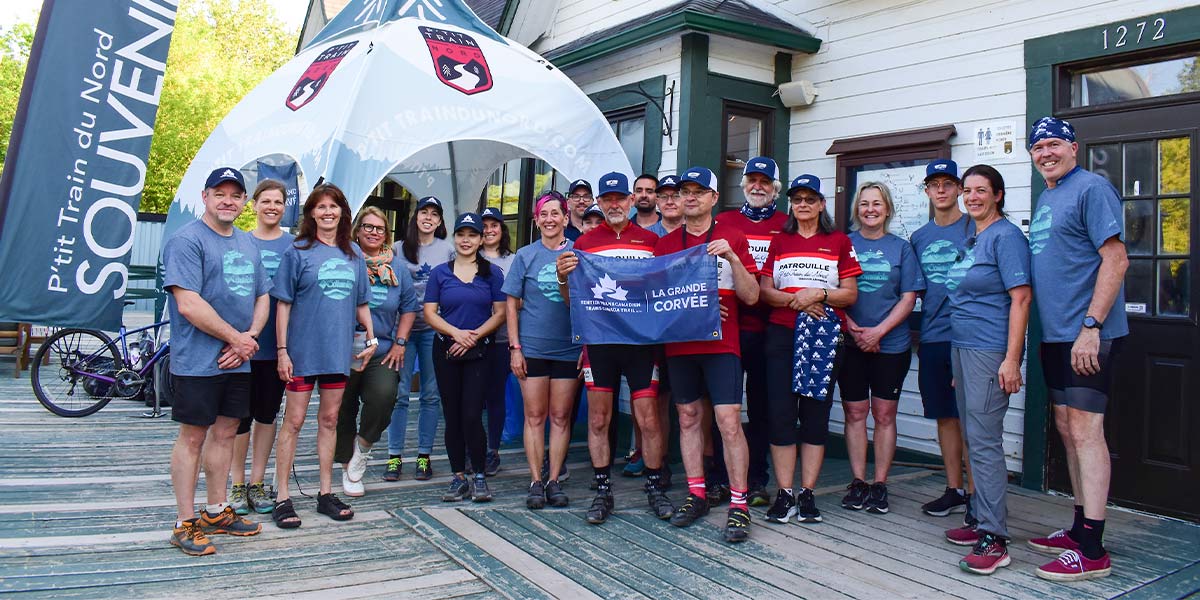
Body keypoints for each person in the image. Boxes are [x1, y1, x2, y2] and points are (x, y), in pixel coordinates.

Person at [1025, 117, 1128, 582]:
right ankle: (1078, 524)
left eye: (1053, 144)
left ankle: (1093, 549)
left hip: (1088, 334)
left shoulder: (1092, 189)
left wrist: (1092, 325)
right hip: (1057, 335)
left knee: (1087, 432)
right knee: (1067, 429)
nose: (1045, 152)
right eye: (1038, 147)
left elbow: (1116, 258)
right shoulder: (1049, 195)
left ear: (1073, 147)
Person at [556, 171, 674, 525]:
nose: (613, 204)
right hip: (601, 343)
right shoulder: (585, 243)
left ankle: (655, 487)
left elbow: (667, 290)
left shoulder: (652, 241)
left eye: (619, 198)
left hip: (641, 343)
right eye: (606, 199)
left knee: (649, 418)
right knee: (598, 419)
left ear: (630, 200)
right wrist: (563, 278)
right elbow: (570, 302)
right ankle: (602, 490)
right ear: (600, 203)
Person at [163, 167, 270, 555]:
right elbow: (188, 304)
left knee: (226, 432)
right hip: (198, 361)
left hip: (237, 359)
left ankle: (215, 510)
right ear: (206, 196)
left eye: (235, 194)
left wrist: (250, 339)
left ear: (244, 202)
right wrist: (236, 339)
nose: (228, 200)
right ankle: (184, 522)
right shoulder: (186, 241)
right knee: (192, 437)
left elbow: (263, 296)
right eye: (220, 193)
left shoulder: (247, 243)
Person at [654, 167, 760, 543]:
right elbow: (656, 301)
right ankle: (697, 493)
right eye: (685, 191)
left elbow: (751, 296)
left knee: (729, 421)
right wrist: (700, 307)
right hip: (681, 345)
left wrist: (731, 257)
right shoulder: (665, 245)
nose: (691, 197)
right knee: (686, 417)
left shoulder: (733, 236)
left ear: (715, 198)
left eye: (700, 191)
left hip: (722, 345)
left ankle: (739, 503)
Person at [939, 165, 1031, 575]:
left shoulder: (1006, 236)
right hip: (964, 348)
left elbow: (1022, 299)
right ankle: (978, 518)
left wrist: (1010, 359)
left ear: (998, 195)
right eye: (968, 190)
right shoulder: (974, 237)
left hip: (990, 349)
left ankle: (995, 539)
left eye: (981, 190)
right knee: (974, 436)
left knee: (985, 441)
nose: (972, 197)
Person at [271, 183, 375, 528]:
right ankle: (282, 495)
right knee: (294, 421)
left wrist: (371, 337)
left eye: (334, 206)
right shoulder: (297, 251)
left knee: (330, 420)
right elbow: (283, 304)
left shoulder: (354, 255)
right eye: (321, 207)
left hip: (337, 353)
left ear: (343, 212)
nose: (328, 212)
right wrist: (283, 351)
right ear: (311, 213)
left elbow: (362, 303)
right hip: (302, 352)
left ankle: (326, 492)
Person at [759, 174, 861, 525]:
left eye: (810, 198)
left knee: (816, 415)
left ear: (821, 204)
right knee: (783, 414)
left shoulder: (838, 241)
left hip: (824, 336)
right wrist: (799, 299)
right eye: (797, 198)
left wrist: (820, 294)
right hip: (782, 337)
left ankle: (807, 494)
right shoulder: (780, 242)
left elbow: (849, 294)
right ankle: (785, 493)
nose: (803, 204)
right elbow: (765, 291)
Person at [839, 182, 925, 514]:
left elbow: (909, 297)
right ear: (857, 210)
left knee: (884, 414)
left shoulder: (901, 248)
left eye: (877, 203)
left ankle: (880, 484)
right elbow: (829, 288)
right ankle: (858, 481)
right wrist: (851, 325)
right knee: (855, 412)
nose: (870, 209)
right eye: (864, 204)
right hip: (851, 341)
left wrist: (878, 332)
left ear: (887, 209)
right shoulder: (844, 244)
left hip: (892, 344)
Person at [715, 157, 788, 507]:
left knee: (762, 407)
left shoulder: (787, 224)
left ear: (776, 187)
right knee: (722, 407)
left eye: (765, 181)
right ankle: (719, 477)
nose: (757, 186)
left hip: (768, 329)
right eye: (752, 180)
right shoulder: (724, 221)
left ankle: (757, 478)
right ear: (742, 184)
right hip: (726, 327)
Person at [334, 207, 419, 497]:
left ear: (387, 234)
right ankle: (347, 464)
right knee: (341, 407)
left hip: (382, 349)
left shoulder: (397, 268)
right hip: (342, 349)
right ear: (357, 230)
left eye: (379, 228)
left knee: (384, 398)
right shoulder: (344, 259)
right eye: (368, 227)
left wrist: (400, 342)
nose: (373, 232)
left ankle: (362, 451)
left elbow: (409, 308)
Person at [505, 192, 581, 509]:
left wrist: (586, 343)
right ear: (536, 220)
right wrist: (515, 348)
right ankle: (536, 480)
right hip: (533, 346)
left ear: (566, 218)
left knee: (561, 417)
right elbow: (511, 304)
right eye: (543, 214)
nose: (549, 219)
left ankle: (554, 482)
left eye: (555, 213)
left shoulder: (579, 253)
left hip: (569, 347)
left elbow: (589, 303)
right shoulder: (525, 256)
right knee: (535, 416)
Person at [424, 212, 507, 502]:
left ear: (481, 239)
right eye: (462, 234)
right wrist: (456, 334)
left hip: (480, 350)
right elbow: (430, 313)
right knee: (453, 415)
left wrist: (472, 337)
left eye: (473, 235)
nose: (466, 240)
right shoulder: (440, 273)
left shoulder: (492, 273)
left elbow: (500, 312)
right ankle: (459, 476)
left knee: (472, 414)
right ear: (454, 238)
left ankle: (480, 475)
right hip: (446, 348)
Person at [910, 159, 975, 520]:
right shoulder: (919, 237)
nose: (941, 190)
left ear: (959, 189)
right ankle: (954, 489)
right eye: (934, 184)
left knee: (971, 418)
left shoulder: (976, 226)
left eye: (948, 183)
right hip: (934, 337)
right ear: (927, 191)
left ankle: (978, 495)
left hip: (970, 337)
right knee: (945, 417)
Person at [227, 179, 293, 516]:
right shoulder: (239, 241)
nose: (271, 207)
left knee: (267, 415)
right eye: (265, 200)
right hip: (241, 346)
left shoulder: (295, 245)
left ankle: (257, 481)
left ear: (285, 206)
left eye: (278, 202)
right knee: (239, 417)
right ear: (253, 205)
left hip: (276, 349)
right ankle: (237, 483)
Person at [386, 197, 452, 481]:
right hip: (401, 330)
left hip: (434, 330)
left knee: (430, 395)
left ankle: (424, 456)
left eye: (434, 214)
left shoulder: (447, 250)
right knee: (399, 395)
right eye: (424, 212)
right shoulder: (398, 248)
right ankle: (394, 456)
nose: (428, 217)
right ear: (415, 217)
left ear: (439, 221)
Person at [630, 174, 680, 479]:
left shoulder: (696, 234)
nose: (670, 200)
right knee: (651, 394)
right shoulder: (650, 236)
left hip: (687, 325)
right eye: (666, 195)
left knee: (690, 398)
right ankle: (651, 455)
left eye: (676, 194)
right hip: (650, 326)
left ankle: (692, 459)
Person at [480, 206, 516, 476]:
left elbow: (522, 298)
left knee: (495, 397)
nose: (489, 230)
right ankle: (472, 449)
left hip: (502, 339)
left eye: (495, 225)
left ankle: (492, 450)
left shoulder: (513, 261)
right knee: (470, 397)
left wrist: (506, 306)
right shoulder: (468, 256)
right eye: (485, 225)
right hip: (471, 339)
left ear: (502, 230)